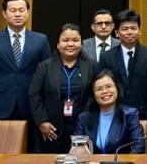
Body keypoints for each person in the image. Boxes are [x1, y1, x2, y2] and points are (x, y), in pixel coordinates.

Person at [0, 0, 51, 152]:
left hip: (30, 109)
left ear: (28, 13)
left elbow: (47, 78)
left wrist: (44, 114)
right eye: (13, 10)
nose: (18, 14)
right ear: (4, 13)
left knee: (28, 155)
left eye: (22, 10)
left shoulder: (41, 40)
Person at [30, 24, 101, 153]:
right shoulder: (45, 66)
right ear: (58, 44)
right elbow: (34, 95)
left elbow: (96, 95)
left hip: (82, 125)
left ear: (81, 43)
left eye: (75, 40)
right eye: (65, 40)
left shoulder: (92, 66)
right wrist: (41, 121)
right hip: (51, 127)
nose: (70, 44)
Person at [99, 10, 147, 136]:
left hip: (142, 117)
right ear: (117, 33)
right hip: (114, 117)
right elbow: (103, 88)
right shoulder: (107, 57)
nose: (129, 32)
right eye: (125, 29)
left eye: (133, 28)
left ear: (139, 31)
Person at [75, 70, 145, 154]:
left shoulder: (130, 115)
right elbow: (76, 149)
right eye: (99, 89)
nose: (105, 91)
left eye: (108, 86)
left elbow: (138, 147)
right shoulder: (84, 118)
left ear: (117, 88)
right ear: (93, 93)